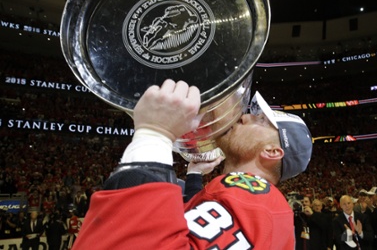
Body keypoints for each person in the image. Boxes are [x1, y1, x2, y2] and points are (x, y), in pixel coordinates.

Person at [72, 79, 313, 249]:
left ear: (272, 151)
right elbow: (186, 230)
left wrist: (154, 134)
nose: (244, 116)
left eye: (260, 121)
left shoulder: (255, 200)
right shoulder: (254, 199)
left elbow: (131, 242)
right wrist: (195, 176)